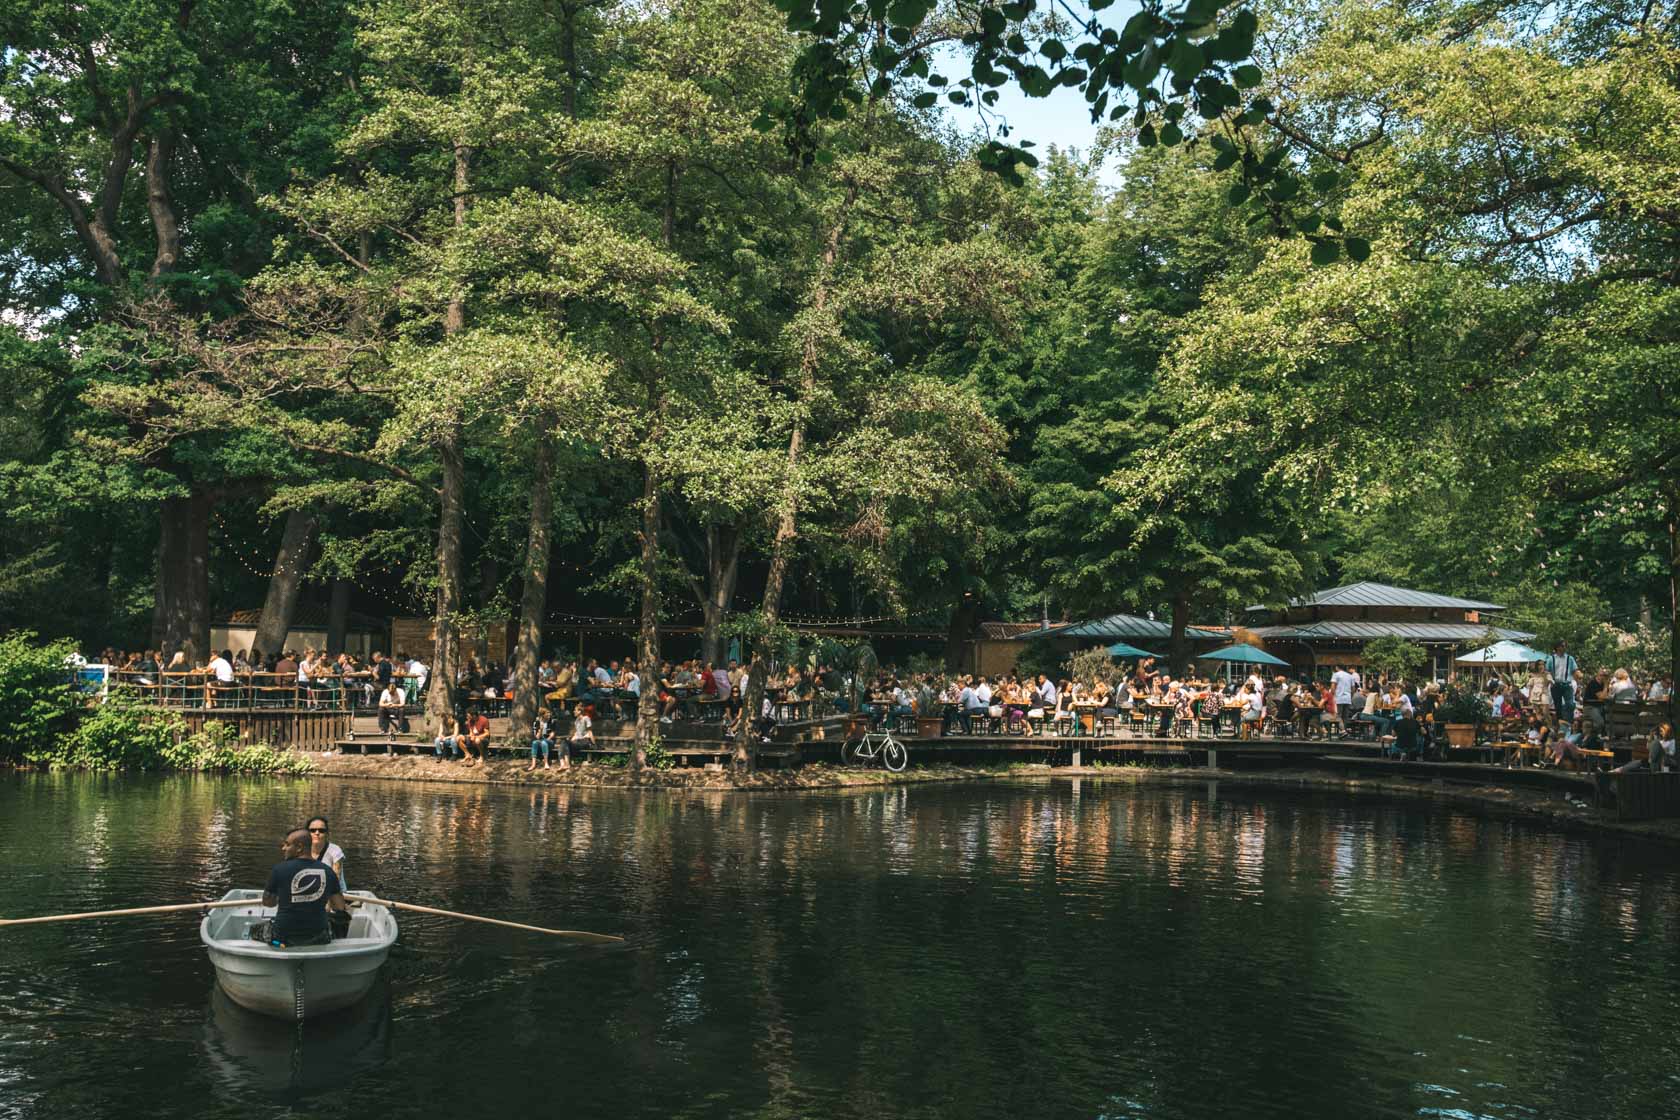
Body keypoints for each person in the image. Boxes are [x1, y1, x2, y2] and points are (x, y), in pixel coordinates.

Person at [260, 828, 348, 947]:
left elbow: (268, 903)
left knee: (255, 930)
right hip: (319, 937)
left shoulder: (279, 870)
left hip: (283, 938)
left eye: (287, 845)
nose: (283, 848)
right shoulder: (328, 871)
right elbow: (339, 906)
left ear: (299, 847)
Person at [1545, 642, 1577, 722]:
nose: (1564, 647)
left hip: (1567, 684)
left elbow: (1575, 670)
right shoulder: (1551, 659)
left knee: (1570, 704)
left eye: (1565, 646)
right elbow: (1546, 671)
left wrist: (1579, 678)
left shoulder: (1570, 658)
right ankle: (1560, 724)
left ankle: (1569, 723)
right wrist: (1549, 681)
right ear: (1557, 647)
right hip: (1555, 684)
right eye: (1562, 646)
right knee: (1558, 706)